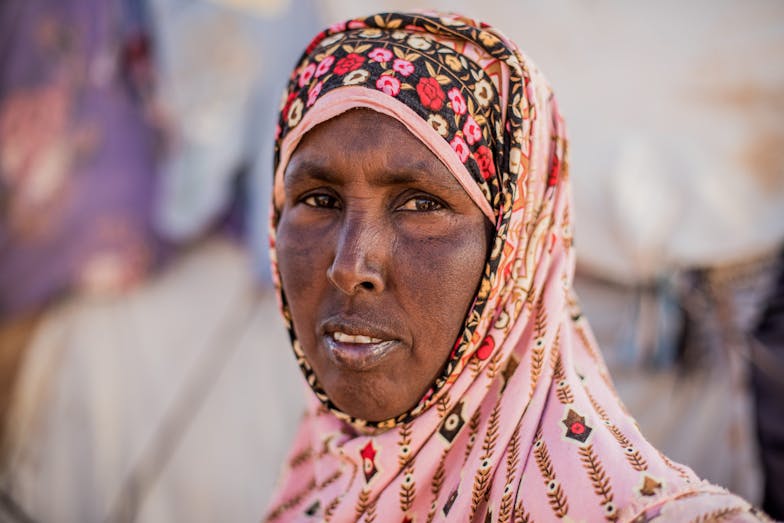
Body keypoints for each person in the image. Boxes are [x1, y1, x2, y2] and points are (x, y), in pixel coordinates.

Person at [264, 11, 769, 522]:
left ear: (514, 249)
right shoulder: (311, 494)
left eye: (420, 204)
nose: (350, 267)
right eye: (320, 199)